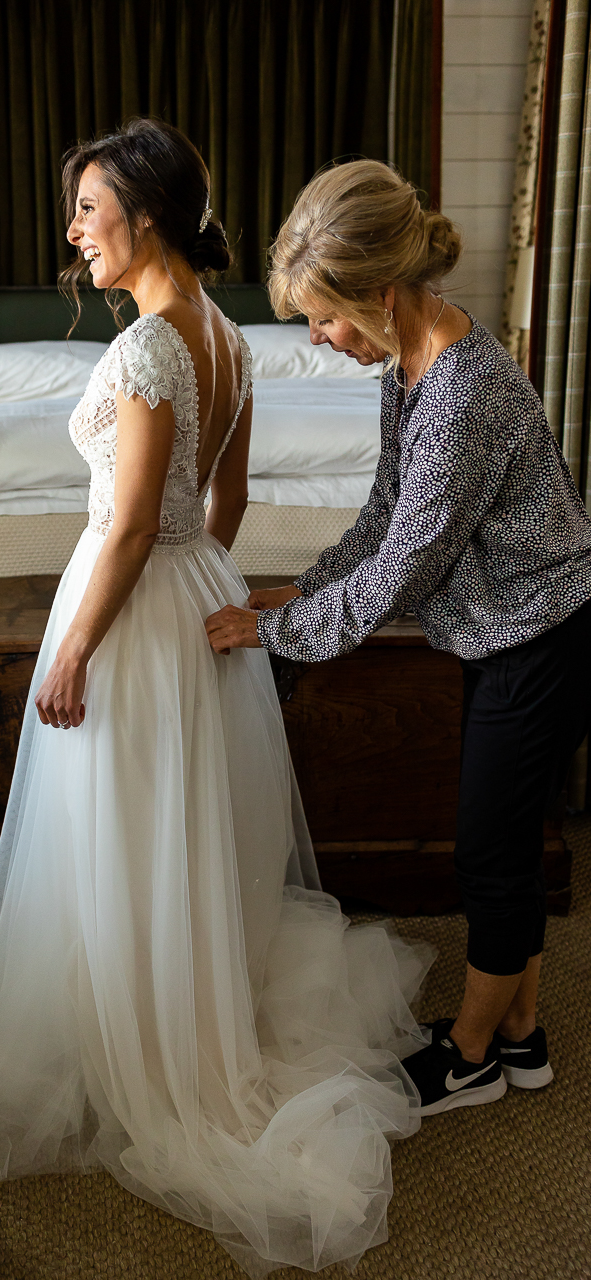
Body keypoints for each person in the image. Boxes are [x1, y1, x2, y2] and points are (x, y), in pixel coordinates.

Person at [0, 123, 434, 1276]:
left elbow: (122, 524)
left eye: (86, 211)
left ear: (143, 215)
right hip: (190, 590)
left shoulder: (148, 352)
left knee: (124, 825)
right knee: (178, 824)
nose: (73, 233)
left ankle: (146, 1036)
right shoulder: (223, 333)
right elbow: (222, 496)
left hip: (127, 602)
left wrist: (71, 652)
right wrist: (194, 577)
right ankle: (177, 993)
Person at [206, 159, 591, 1120]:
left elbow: (405, 571)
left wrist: (273, 630)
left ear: (379, 294)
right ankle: (521, 1037)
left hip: (543, 639)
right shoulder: (410, 362)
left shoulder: (462, 394)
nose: (316, 337)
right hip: (504, 632)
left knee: (486, 856)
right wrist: (307, 580)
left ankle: (467, 1057)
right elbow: (385, 515)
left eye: (322, 316)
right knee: (504, 841)